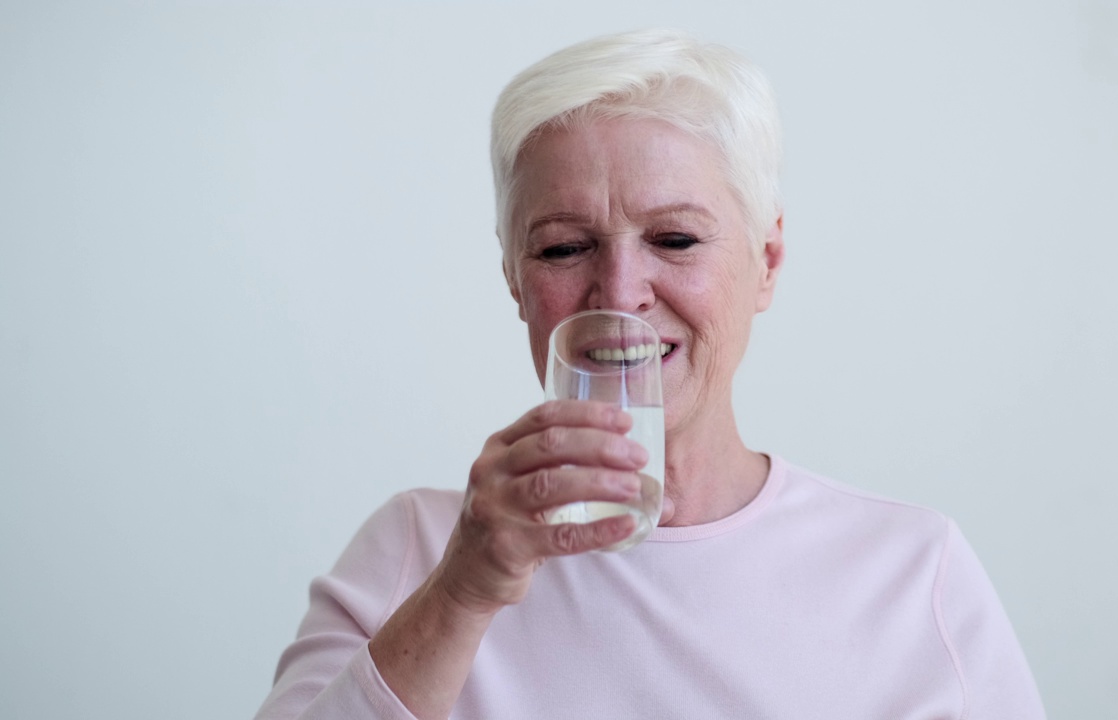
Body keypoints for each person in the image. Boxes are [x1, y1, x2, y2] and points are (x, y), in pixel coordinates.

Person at [254, 29, 1045, 720]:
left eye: (674, 239)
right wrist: (463, 592)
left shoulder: (912, 575)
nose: (621, 295)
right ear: (514, 280)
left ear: (765, 263)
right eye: (564, 247)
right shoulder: (420, 552)